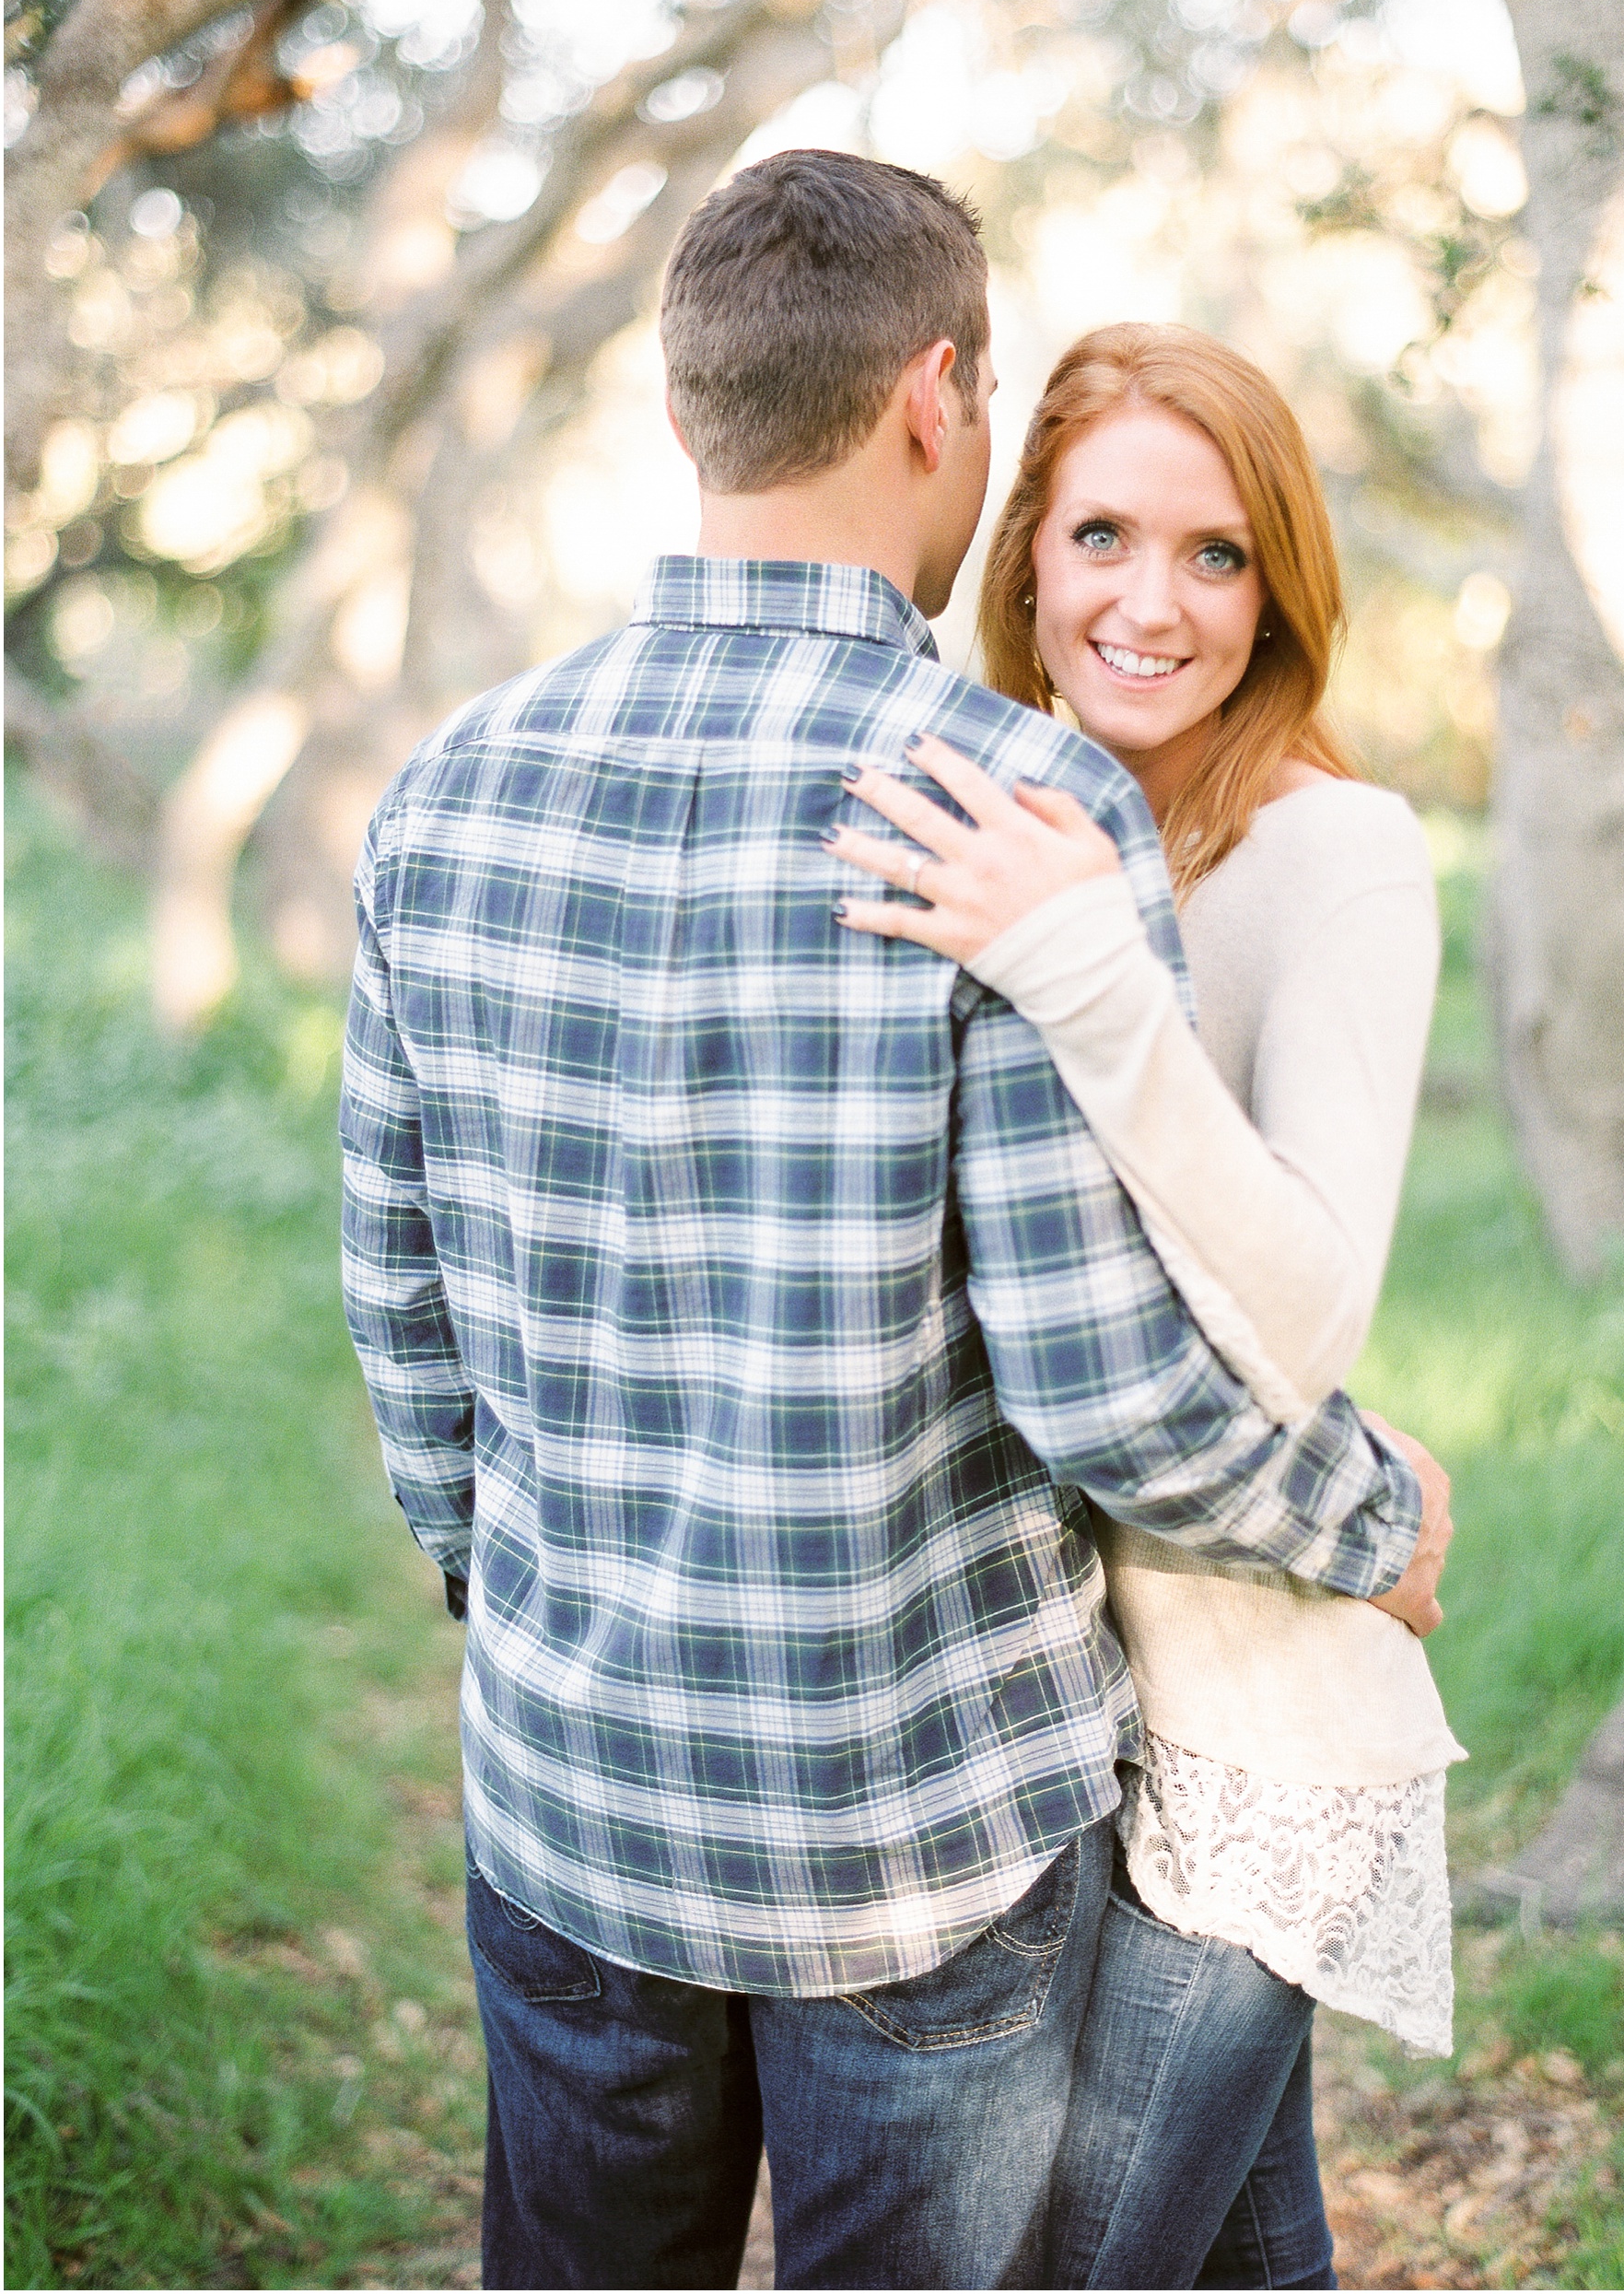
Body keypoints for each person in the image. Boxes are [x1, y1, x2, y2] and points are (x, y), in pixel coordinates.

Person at [340, 155, 1447, 2293]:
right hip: (906, 1850)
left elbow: (404, 1311)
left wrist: (526, 1601)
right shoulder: (1007, 803)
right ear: (943, 404)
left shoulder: (445, 787)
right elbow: (1109, 1386)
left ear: (687, 413)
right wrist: (1362, 1511)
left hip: (567, 1797)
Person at [830, 322, 1461, 2289]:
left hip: (1246, 1719)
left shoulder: (1332, 853)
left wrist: (1093, 977)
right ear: (1024, 553)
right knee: (1248, 2256)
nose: (1150, 601)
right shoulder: (993, 812)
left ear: (1276, 591)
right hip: (1035, 1718)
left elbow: (1307, 1311)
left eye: (1214, 554)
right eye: (1103, 533)